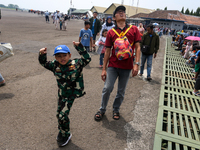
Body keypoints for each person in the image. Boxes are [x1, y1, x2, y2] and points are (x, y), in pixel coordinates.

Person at [38, 42, 91, 147]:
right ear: (56, 58)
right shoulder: (55, 65)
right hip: (62, 94)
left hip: (72, 94)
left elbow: (87, 59)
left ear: (69, 55)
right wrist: (42, 54)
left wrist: (79, 46)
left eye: (64, 55)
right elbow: (43, 63)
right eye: (59, 56)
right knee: (59, 115)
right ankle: (62, 130)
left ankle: (66, 134)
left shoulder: (76, 63)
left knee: (63, 116)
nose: (62, 58)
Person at [94, 5, 141, 121]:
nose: (121, 13)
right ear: (114, 18)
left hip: (127, 66)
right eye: (119, 12)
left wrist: (137, 64)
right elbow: (107, 51)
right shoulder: (111, 32)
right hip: (113, 66)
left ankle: (116, 109)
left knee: (121, 92)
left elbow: (138, 47)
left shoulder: (134, 29)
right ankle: (102, 109)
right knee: (107, 88)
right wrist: (104, 69)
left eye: (123, 12)